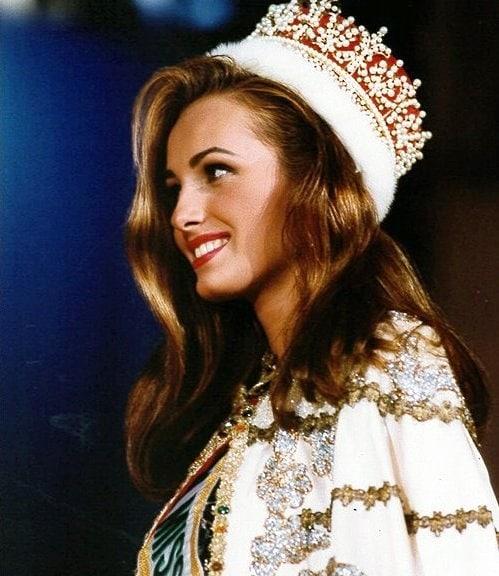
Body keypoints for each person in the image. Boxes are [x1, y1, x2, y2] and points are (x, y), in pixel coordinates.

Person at [125, 1, 499, 574]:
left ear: (314, 180)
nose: (182, 215)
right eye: (175, 187)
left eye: (216, 171)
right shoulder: (252, 400)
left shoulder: (387, 356)